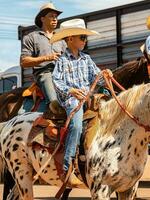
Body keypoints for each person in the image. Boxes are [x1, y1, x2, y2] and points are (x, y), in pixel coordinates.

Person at [51, 18, 111, 186]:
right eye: (82, 37)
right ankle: (67, 166)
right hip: (71, 99)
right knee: (76, 125)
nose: (85, 41)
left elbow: (97, 77)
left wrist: (106, 75)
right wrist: (71, 90)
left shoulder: (86, 59)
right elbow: (56, 81)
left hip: (88, 98)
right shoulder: (62, 61)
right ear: (70, 39)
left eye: (85, 38)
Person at [20, 3, 66, 112]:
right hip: (44, 73)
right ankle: (54, 107)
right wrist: (47, 58)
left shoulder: (61, 40)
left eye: (56, 17)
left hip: (62, 74)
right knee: (48, 79)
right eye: (51, 16)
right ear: (42, 19)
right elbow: (24, 62)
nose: (55, 19)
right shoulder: (31, 37)